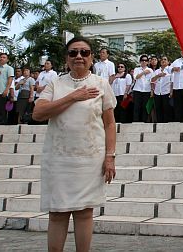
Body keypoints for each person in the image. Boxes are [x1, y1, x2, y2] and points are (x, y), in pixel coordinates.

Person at [32, 37, 116, 252]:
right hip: (59, 158)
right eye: (73, 53)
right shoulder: (55, 83)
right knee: (58, 213)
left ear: (92, 57)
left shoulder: (100, 83)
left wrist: (110, 156)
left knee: (84, 212)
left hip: (89, 158)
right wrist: (73, 97)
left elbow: (109, 124)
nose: (79, 56)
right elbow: (38, 113)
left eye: (84, 52)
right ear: (66, 58)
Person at [151, 56, 173, 123]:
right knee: (158, 109)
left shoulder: (170, 70)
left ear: (168, 62)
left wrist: (171, 92)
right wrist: (158, 75)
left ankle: (166, 123)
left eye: (165, 59)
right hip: (157, 92)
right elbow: (152, 80)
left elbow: (172, 82)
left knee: (166, 108)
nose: (163, 61)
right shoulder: (157, 71)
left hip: (166, 92)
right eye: (162, 60)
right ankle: (159, 123)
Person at [132, 55, 153, 122]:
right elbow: (136, 77)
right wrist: (143, 72)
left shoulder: (150, 70)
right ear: (140, 62)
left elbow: (152, 80)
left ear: (148, 62)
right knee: (136, 107)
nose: (144, 62)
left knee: (145, 107)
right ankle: (136, 121)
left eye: (145, 60)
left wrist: (152, 90)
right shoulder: (137, 69)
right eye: (142, 60)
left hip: (147, 90)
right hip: (138, 90)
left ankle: (144, 121)